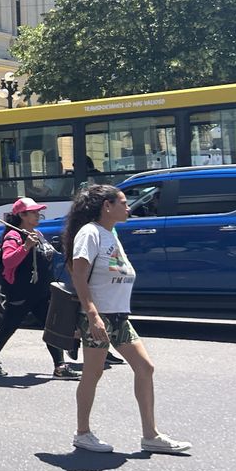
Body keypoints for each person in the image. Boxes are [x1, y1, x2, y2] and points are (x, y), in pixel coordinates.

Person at [63, 185, 190, 455]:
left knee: (145, 367)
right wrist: (92, 315)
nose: (128, 207)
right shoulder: (90, 233)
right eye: (123, 202)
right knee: (93, 373)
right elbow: (77, 273)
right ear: (107, 206)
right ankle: (82, 433)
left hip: (118, 317)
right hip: (100, 316)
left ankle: (151, 436)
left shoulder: (110, 233)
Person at [0, 198, 76, 379]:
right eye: (33, 212)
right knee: (8, 327)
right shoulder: (14, 236)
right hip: (21, 293)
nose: (37, 215)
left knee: (51, 327)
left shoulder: (36, 233)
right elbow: (8, 261)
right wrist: (25, 247)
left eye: (37, 211)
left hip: (40, 292)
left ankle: (60, 366)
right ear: (22, 216)